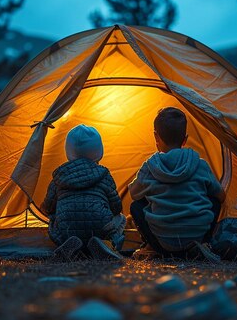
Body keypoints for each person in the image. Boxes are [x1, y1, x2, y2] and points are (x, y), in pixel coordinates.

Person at [128, 107, 225, 261]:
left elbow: (133, 193)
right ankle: (204, 245)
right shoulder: (200, 165)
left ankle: (154, 248)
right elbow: (220, 195)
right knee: (214, 201)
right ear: (185, 139)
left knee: (135, 206)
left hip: (163, 243)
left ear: (156, 137)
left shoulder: (150, 167)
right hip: (196, 239)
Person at [41, 124, 125, 261]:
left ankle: (66, 245)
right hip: (100, 228)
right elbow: (116, 207)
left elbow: (48, 207)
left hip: (67, 229)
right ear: (99, 152)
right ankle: (109, 244)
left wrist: (52, 212)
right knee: (121, 218)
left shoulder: (59, 176)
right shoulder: (104, 174)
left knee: (53, 217)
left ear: (68, 152)